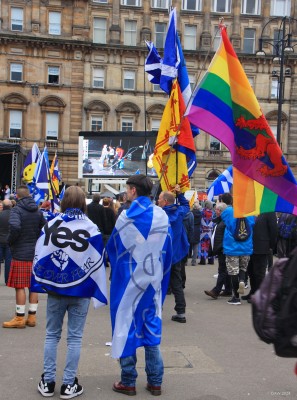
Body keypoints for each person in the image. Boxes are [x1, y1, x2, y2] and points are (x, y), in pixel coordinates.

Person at [32, 186, 108, 398]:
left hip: (56, 289)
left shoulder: (52, 224)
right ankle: (68, 385)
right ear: (83, 202)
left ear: (64, 201)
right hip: (80, 290)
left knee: (51, 335)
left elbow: (40, 252)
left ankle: (47, 383)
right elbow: (98, 259)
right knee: (74, 339)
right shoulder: (91, 227)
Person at [106, 174, 172, 396]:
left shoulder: (125, 218)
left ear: (133, 191)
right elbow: (170, 250)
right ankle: (155, 382)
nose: (126, 192)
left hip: (128, 283)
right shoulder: (162, 216)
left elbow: (113, 249)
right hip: (152, 282)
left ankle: (128, 381)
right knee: (151, 327)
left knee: (126, 326)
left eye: (127, 189)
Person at [3, 185, 45, 328]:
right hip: (35, 253)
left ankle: (19, 319)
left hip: (20, 253)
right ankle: (32, 317)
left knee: (20, 286)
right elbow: (44, 229)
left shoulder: (17, 210)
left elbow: (15, 227)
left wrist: (10, 241)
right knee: (33, 286)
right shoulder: (38, 211)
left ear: (18, 197)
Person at [158, 185, 189, 323]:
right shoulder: (179, 212)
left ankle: (157, 310)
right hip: (177, 254)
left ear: (165, 201)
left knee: (158, 283)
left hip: (163, 254)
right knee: (176, 283)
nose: (158, 201)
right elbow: (186, 205)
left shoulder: (160, 215)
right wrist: (180, 193)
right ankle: (181, 312)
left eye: (159, 198)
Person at [220, 193, 255, 305]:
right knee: (243, 268)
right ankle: (242, 281)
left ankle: (236, 297)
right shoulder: (250, 213)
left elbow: (222, 217)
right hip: (246, 247)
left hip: (232, 247)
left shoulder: (229, 212)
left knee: (233, 271)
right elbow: (253, 223)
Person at [241, 212, 278, 303]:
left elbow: (273, 229)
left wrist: (271, 245)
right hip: (249, 245)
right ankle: (253, 292)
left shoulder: (269, 211)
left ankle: (259, 295)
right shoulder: (251, 210)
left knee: (259, 272)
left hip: (262, 246)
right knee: (251, 271)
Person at [204, 202, 232, 299]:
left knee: (222, 270)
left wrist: (220, 247)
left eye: (217, 209)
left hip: (223, 248)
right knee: (225, 270)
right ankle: (228, 289)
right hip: (222, 248)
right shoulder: (221, 220)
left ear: (221, 211)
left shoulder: (225, 222)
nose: (215, 211)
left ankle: (216, 291)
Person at [0, 199, 13, 285]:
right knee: (8, 261)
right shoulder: (13, 215)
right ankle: (7, 279)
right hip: (9, 241)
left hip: (0, 240)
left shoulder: (0, 215)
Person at [199, 200, 214, 265]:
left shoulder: (202, 212)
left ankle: (203, 260)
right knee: (210, 246)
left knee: (203, 246)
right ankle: (211, 260)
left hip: (203, 232)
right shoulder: (213, 213)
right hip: (210, 231)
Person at [191, 201, 202, 266]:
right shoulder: (200, 214)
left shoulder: (191, 213)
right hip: (197, 230)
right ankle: (194, 261)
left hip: (191, 229)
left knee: (188, 246)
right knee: (195, 246)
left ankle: (185, 261)